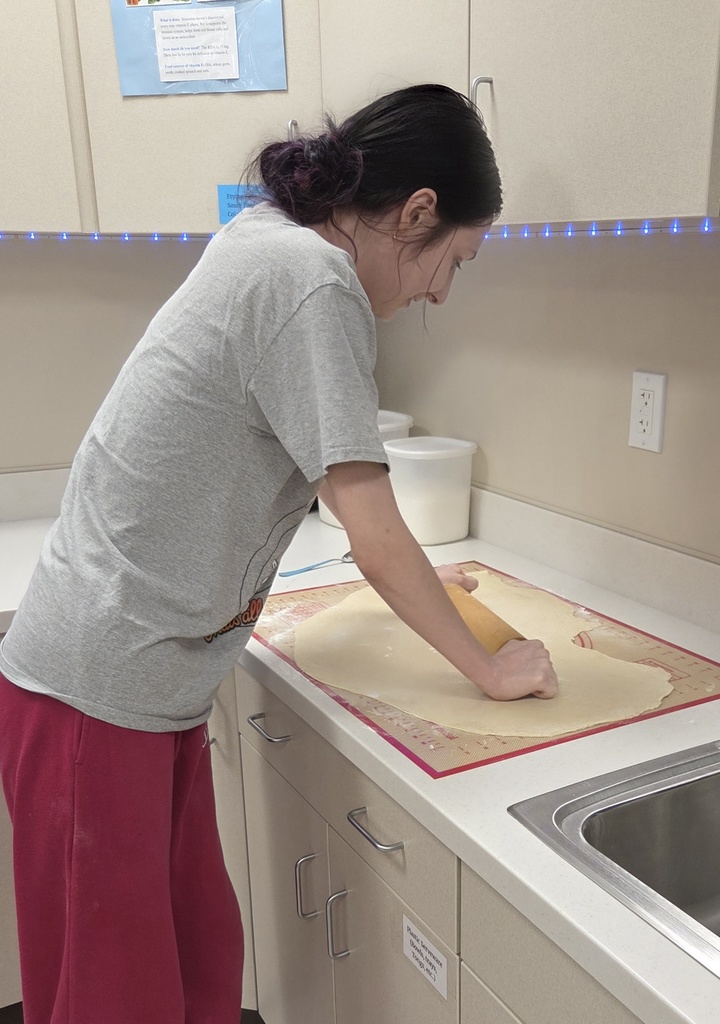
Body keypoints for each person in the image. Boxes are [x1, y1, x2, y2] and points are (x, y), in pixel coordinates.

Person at [0, 84, 557, 1024]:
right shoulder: (310, 282)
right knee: (117, 995)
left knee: (196, 954)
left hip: (134, 677)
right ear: (417, 211)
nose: (438, 292)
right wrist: (490, 667)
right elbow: (370, 526)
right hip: (97, 689)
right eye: (453, 259)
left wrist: (431, 588)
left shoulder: (269, 240)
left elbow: (271, 479)